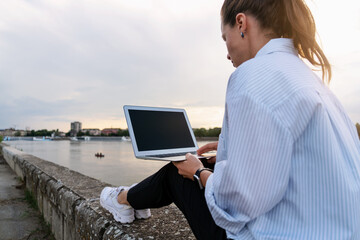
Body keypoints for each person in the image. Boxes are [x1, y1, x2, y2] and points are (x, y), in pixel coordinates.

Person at [100, 0, 360, 239]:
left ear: (241, 23)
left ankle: (122, 199)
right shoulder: (311, 80)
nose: (227, 53)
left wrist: (199, 171)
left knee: (176, 172)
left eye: (226, 38)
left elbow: (237, 202)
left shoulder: (254, 74)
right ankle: (133, 200)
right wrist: (229, 153)